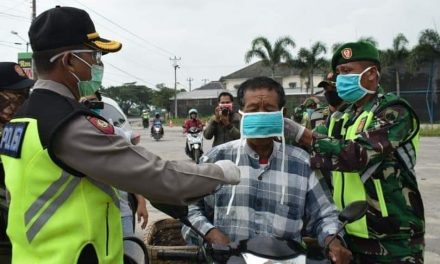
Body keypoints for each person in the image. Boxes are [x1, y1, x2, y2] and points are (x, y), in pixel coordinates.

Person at [0, 6, 240, 264]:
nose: (97, 65)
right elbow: (153, 174)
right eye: (94, 56)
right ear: (68, 60)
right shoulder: (67, 124)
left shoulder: (24, 116)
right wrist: (220, 173)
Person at [182, 77, 352, 264]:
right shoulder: (216, 158)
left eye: (269, 110)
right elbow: (191, 209)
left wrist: (333, 241)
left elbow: (325, 214)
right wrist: (211, 233)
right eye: (253, 109)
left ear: (282, 114)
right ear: (241, 114)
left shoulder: (302, 163)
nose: (261, 115)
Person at [286, 41, 425, 263]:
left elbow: (357, 155)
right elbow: (315, 153)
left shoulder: (394, 111)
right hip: (347, 230)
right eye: (339, 73)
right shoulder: (342, 116)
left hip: (391, 234)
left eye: (348, 71)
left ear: (371, 74)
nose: (340, 79)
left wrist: (304, 135)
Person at [0, 62, 34, 263]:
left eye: (24, 92)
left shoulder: (18, 129)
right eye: (15, 94)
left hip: (18, 232)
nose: (22, 100)